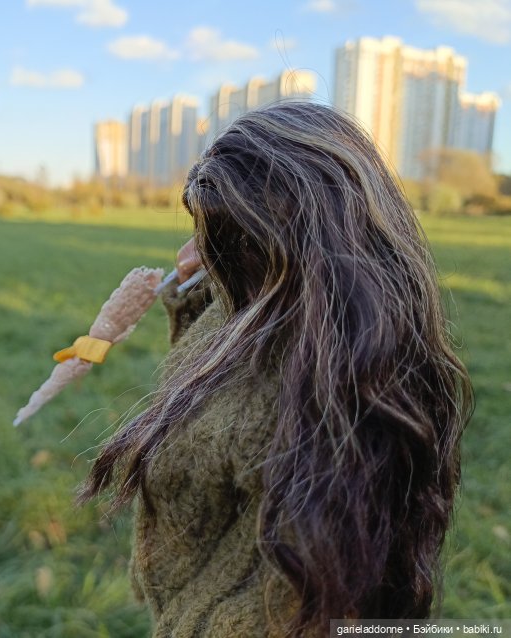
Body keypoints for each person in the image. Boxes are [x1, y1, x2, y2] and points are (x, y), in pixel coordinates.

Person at [79, 102, 473, 637]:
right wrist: (205, 293)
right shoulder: (326, 329)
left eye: (226, 241)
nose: (198, 250)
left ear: (280, 245)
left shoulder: (302, 405)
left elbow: (289, 603)